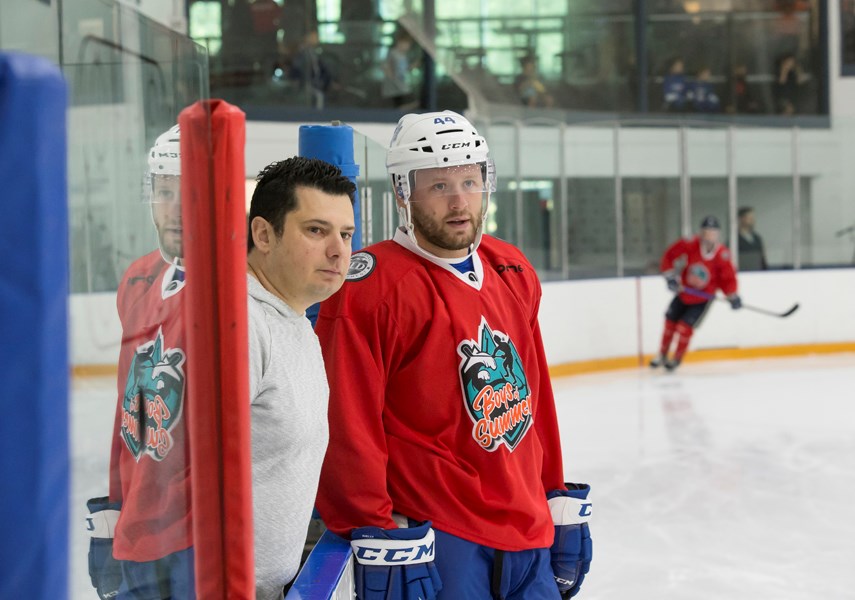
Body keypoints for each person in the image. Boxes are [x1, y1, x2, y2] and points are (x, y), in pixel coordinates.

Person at [314, 110, 593, 600]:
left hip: (527, 527)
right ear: (404, 192)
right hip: (442, 537)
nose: (460, 200)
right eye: (439, 186)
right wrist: (376, 531)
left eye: (469, 180)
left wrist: (555, 497)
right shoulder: (371, 288)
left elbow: (535, 400)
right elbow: (346, 425)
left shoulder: (511, 268)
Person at [90, 125, 195, 599]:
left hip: (198, 529)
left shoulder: (241, 281)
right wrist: (114, 506)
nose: (174, 209)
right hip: (139, 526)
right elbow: (127, 404)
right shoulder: (137, 278)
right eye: (164, 191)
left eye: (189, 192)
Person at [245, 157, 356, 600]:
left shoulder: (290, 316)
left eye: (345, 234)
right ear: (263, 235)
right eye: (316, 230)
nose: (338, 250)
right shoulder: (241, 326)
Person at [651, 215, 741, 372]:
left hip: (702, 299)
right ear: (701, 232)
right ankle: (662, 355)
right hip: (683, 292)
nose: (709, 235)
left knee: (684, 328)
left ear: (717, 234)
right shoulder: (691, 244)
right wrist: (670, 276)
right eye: (706, 231)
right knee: (669, 323)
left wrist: (732, 295)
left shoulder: (722, 254)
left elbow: (727, 278)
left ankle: (676, 359)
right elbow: (669, 255)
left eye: (713, 232)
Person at [381, 28, 420, 110]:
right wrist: (391, 76)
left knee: (411, 103)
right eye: (405, 43)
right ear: (399, 42)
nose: (407, 46)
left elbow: (403, 70)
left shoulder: (403, 56)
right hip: (395, 87)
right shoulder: (393, 53)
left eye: (408, 44)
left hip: (401, 86)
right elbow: (385, 66)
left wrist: (412, 67)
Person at [737, 207, 768, 271]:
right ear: (741, 219)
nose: (753, 220)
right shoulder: (734, 240)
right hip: (742, 274)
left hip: (758, 273)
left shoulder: (757, 238)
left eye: (753, 218)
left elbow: (762, 258)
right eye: (750, 218)